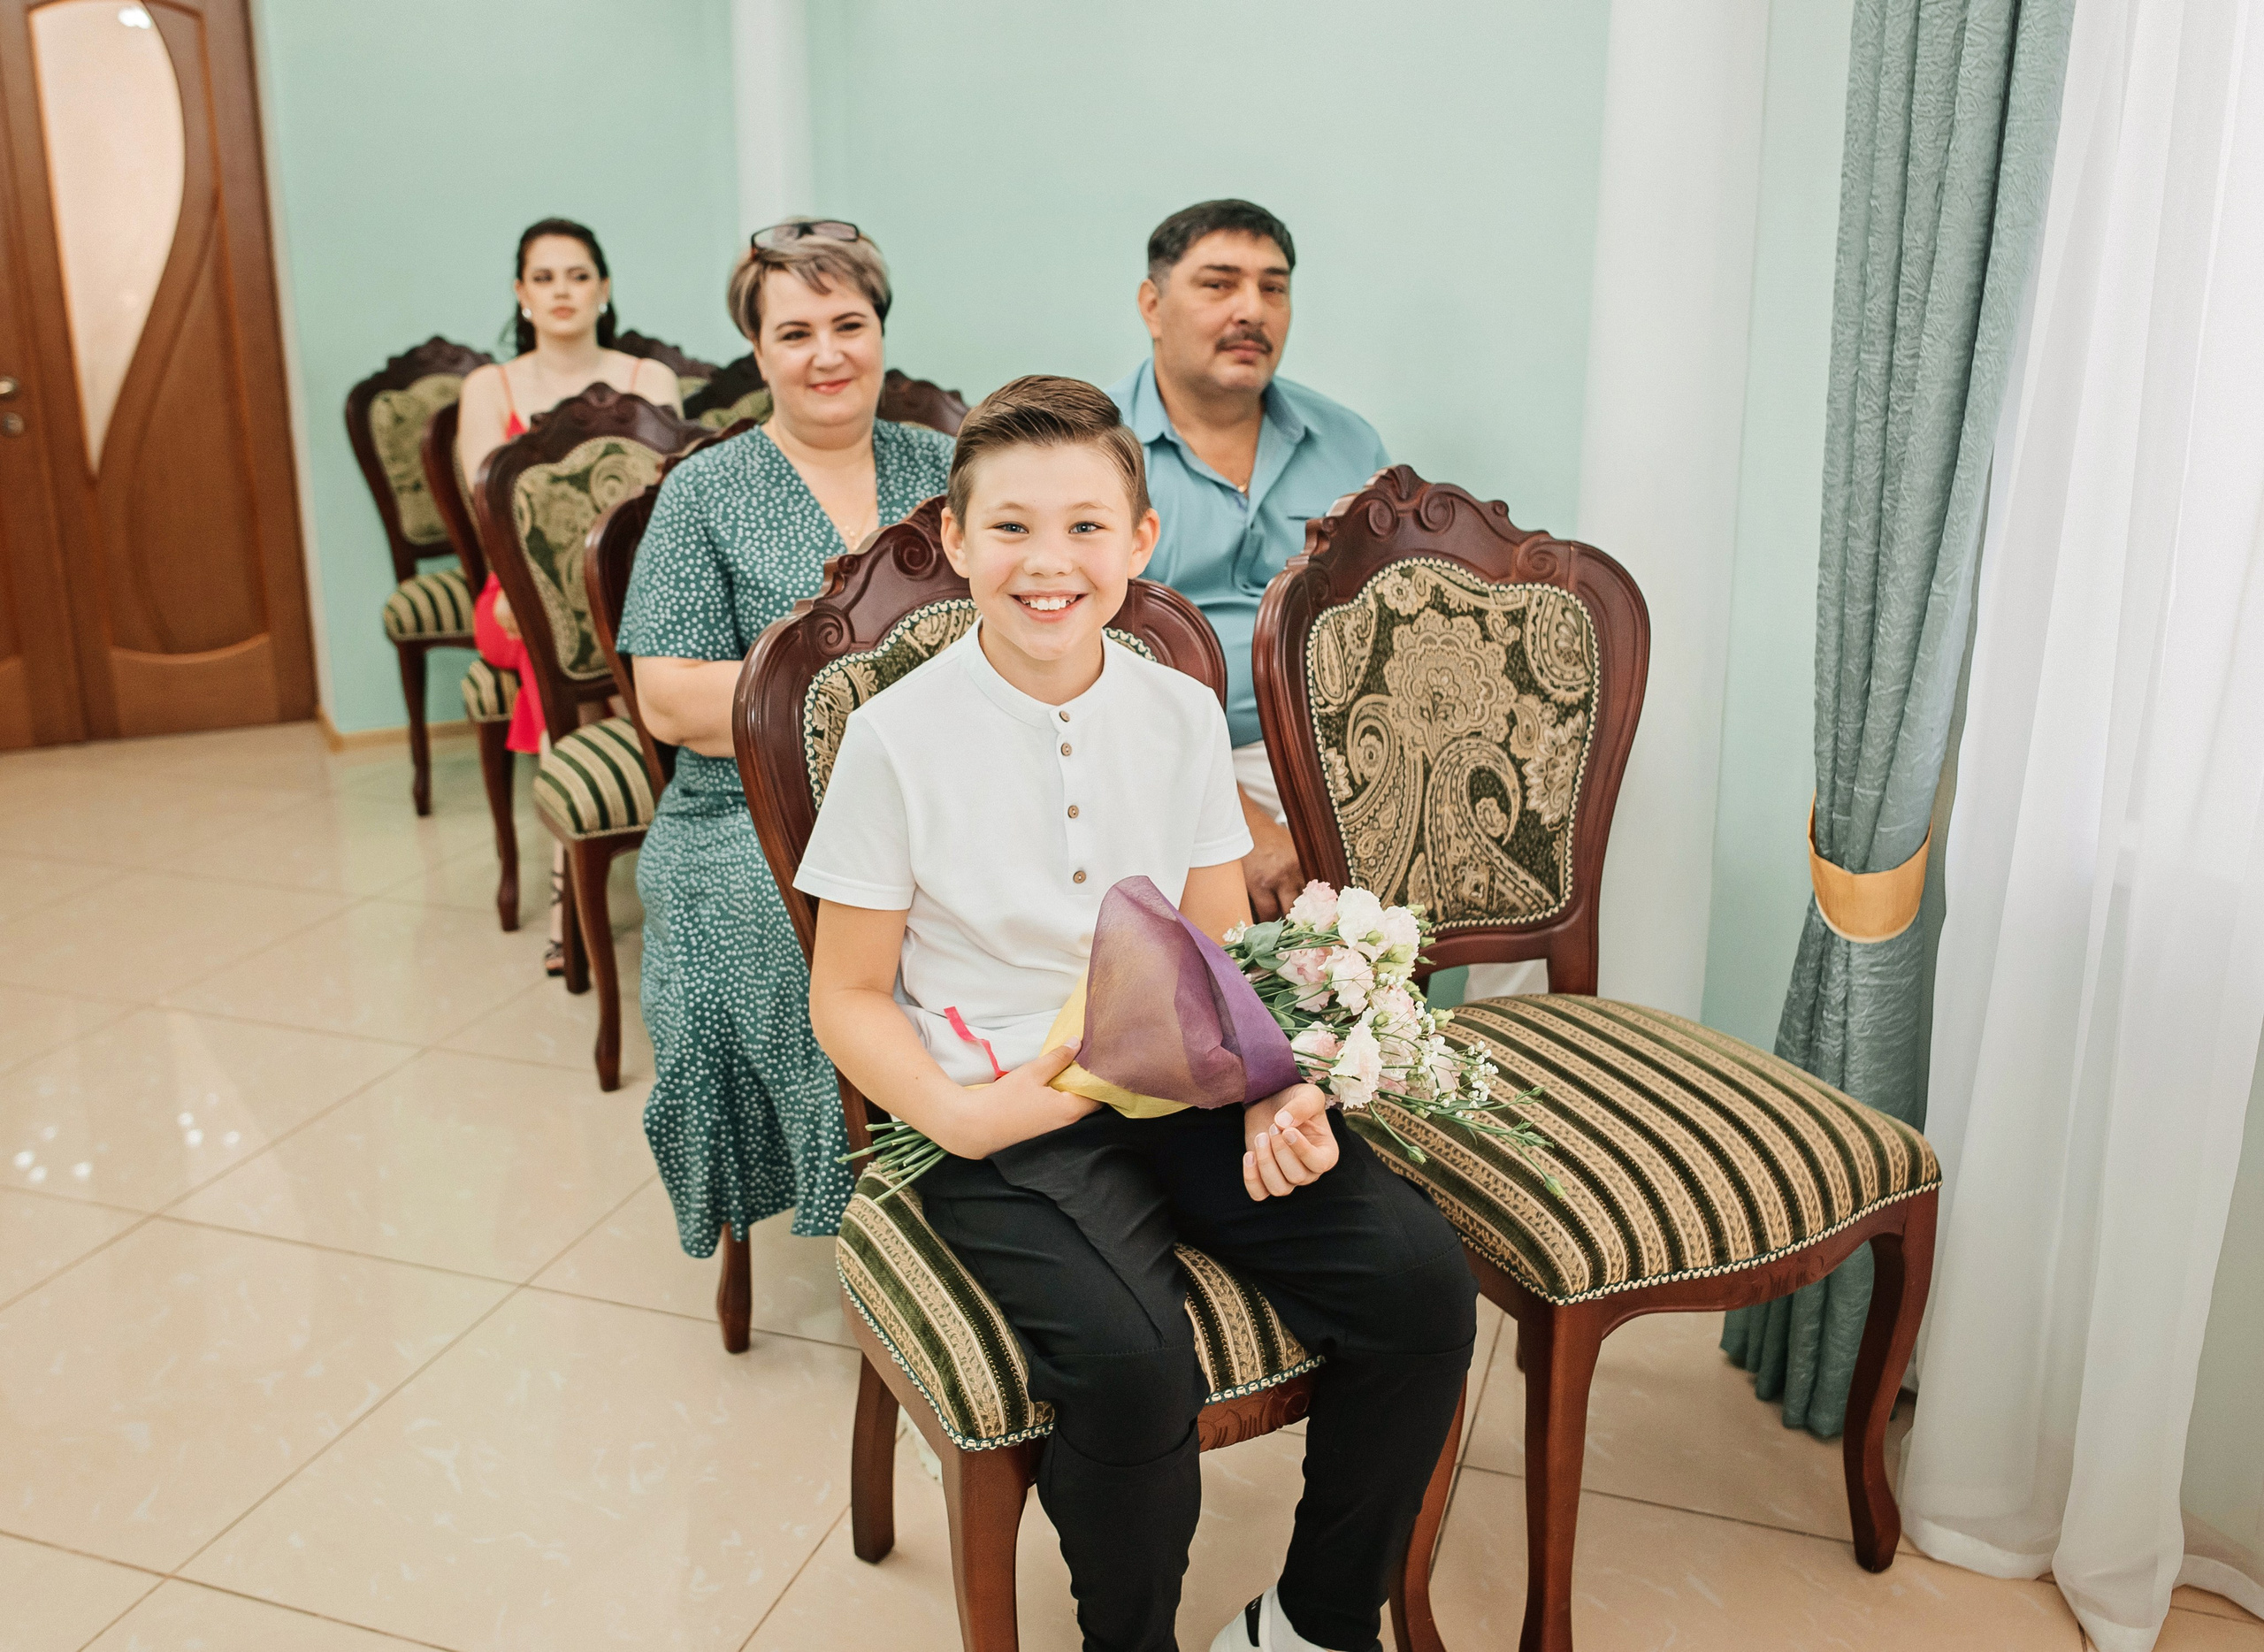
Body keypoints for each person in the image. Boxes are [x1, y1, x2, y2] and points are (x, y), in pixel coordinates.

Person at [798, 377, 1475, 1652]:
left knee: (1420, 1281)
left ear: (1140, 543)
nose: (1049, 564)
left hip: (1186, 1075)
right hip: (1004, 1107)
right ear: (954, 538)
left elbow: (1222, 941)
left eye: (1087, 528)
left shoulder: (1172, 709)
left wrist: (1276, 1082)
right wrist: (960, 1117)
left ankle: (1315, 1622)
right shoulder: (897, 738)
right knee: (1128, 1360)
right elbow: (843, 993)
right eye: (1010, 528)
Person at [616, 221, 952, 1258]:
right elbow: (670, 699)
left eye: (849, 323)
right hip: (749, 811)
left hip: (948, 788)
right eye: (795, 331)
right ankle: (870, 1194)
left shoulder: (948, 467)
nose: (827, 354)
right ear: (757, 352)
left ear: (881, 334)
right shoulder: (702, 492)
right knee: (787, 941)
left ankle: (1025, 1167)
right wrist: (867, 698)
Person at [1108, 200, 1390, 924]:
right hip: (1159, 754)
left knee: (1534, 809)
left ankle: (1500, 1034)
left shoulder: (1348, 442)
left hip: (1341, 746)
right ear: (1152, 304)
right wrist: (1237, 817)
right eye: (1218, 284)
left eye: (1273, 287)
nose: (1251, 310)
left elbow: (1391, 622)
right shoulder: (1095, 452)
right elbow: (1087, 666)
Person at [457, 217, 683, 974]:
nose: (562, 291)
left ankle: (643, 845)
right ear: (521, 295)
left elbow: (662, 512)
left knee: (635, 637)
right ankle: (570, 885)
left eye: (578, 275)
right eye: (545, 278)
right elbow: (496, 524)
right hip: (520, 595)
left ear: (604, 288)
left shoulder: (647, 379)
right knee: (547, 632)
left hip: (629, 585)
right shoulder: (488, 389)